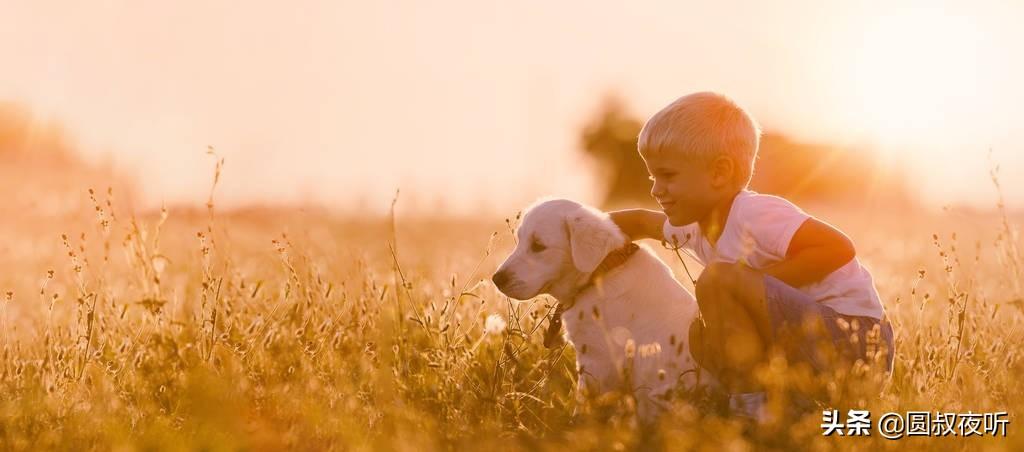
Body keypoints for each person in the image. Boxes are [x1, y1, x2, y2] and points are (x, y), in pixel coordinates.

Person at [608, 91, 895, 424]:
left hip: (857, 343)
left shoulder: (755, 214)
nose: (657, 189)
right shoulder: (695, 225)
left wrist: (754, 284)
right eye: (652, 177)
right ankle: (783, 405)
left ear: (719, 173)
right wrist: (577, 230)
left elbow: (838, 247)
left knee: (718, 281)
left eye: (668, 175)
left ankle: (751, 412)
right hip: (812, 347)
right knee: (700, 337)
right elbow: (642, 222)